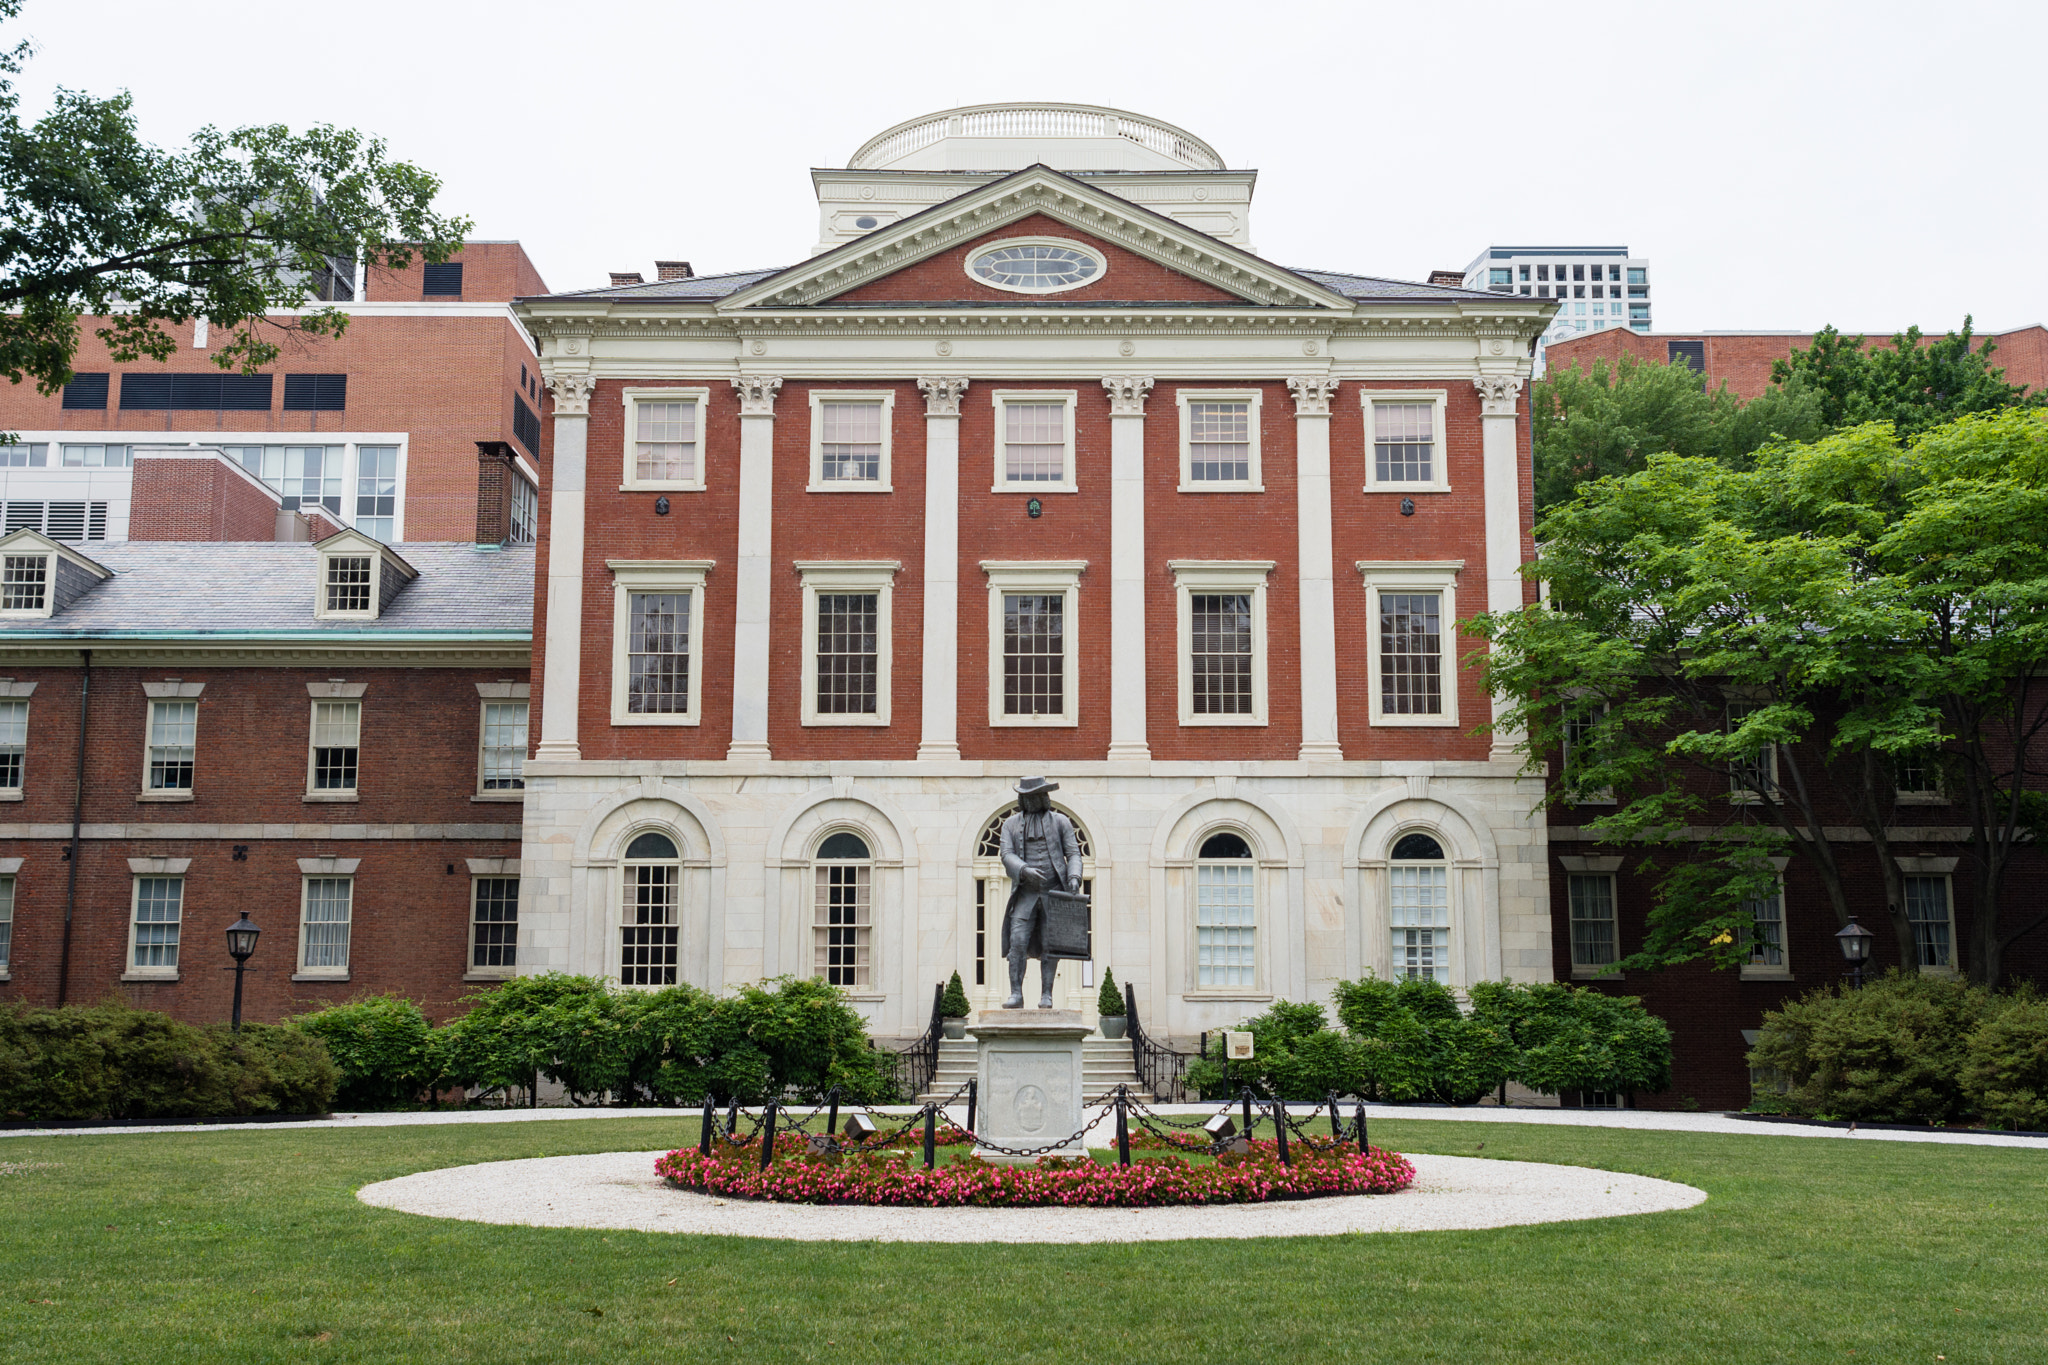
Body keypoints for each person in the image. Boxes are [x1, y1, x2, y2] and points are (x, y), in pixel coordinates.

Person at [997, 775, 1084, 1009]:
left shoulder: (1061, 822)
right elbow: (1006, 854)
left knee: (1050, 944)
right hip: (1025, 894)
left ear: (1044, 797)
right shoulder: (1010, 825)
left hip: (1054, 893)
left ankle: (1047, 995)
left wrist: (1074, 877)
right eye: (1029, 797)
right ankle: (1016, 994)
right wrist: (1023, 869)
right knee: (1017, 942)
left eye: (1038, 795)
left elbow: (1074, 854)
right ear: (1023, 799)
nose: (1034, 800)